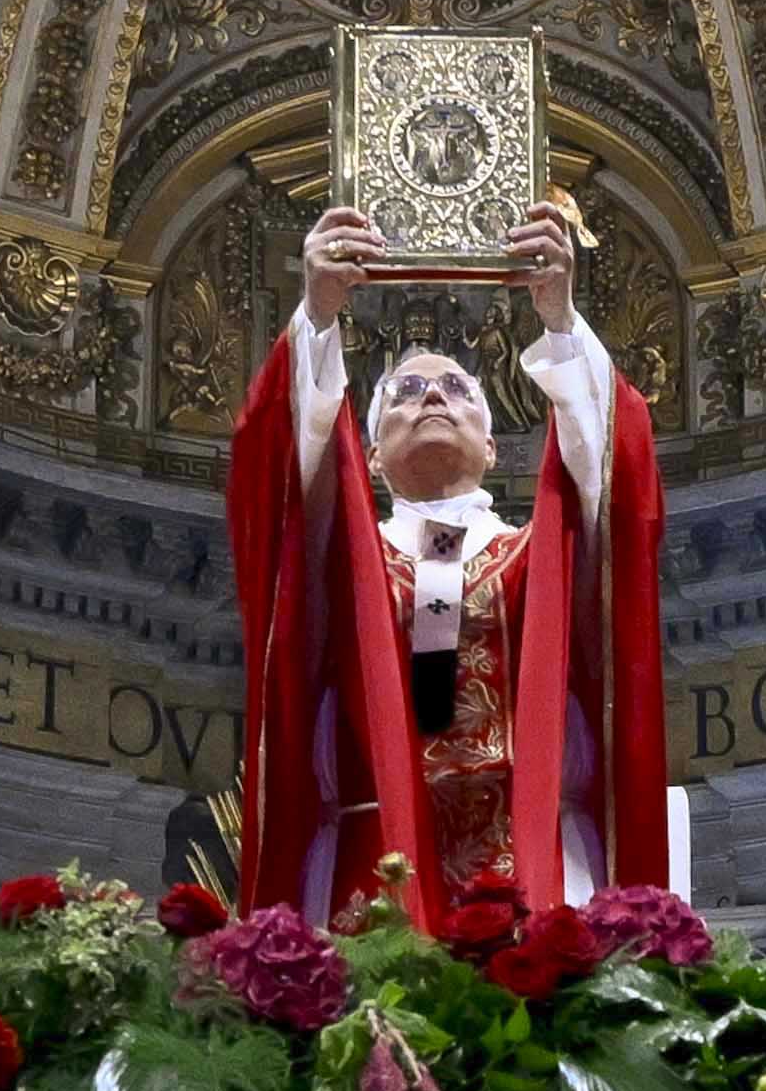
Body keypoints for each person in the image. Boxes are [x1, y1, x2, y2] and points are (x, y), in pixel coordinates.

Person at [224, 193, 674, 917]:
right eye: (403, 391)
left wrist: (558, 319)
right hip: (371, 871)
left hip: (540, 869)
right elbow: (277, 479)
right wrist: (316, 316)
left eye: (457, 388)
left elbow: (615, 487)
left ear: (493, 447)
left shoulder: (543, 559)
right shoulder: (340, 560)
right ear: (369, 455)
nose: (431, 395)